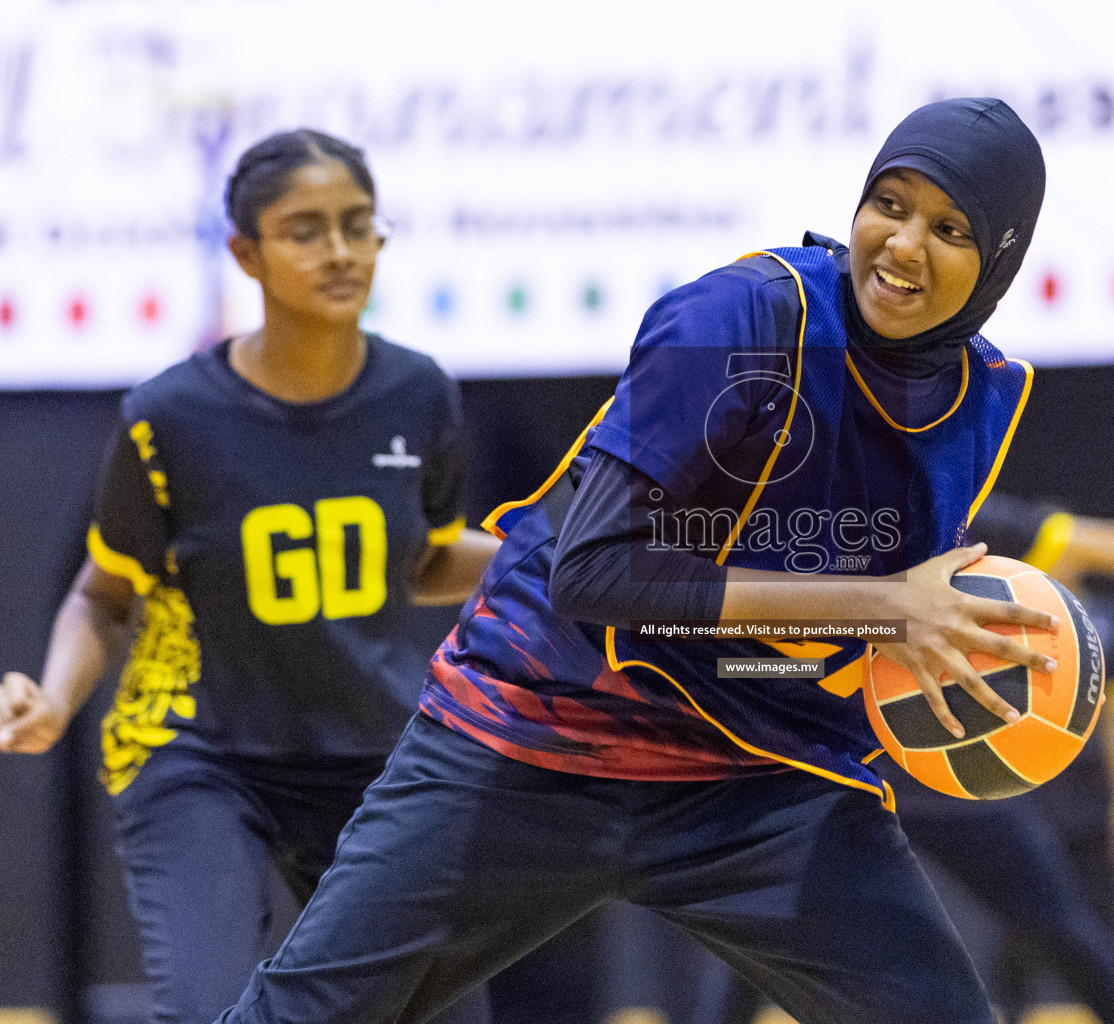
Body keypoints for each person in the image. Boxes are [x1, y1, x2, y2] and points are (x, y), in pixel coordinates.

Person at [211, 97, 1050, 1024]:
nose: (901, 243)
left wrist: (917, 649)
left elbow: (848, 617)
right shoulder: (734, 321)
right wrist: (885, 606)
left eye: (950, 228)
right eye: (887, 204)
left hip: (756, 774)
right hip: (532, 734)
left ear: (1000, 260)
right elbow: (596, 574)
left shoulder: (978, 396)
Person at [0, 129, 501, 1024]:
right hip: (196, 750)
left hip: (366, 750)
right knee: (212, 1010)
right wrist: (56, 697)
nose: (341, 251)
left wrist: (546, 562)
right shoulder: (171, 417)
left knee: (439, 1006)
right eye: (306, 230)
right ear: (247, 253)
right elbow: (103, 591)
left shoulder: (420, 393)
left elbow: (418, 559)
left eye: (358, 225)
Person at [630, 461, 1114, 1024]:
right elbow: (727, 657)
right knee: (756, 945)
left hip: (947, 773)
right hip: (837, 775)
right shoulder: (786, 536)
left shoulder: (964, 525)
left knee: (1064, 928)